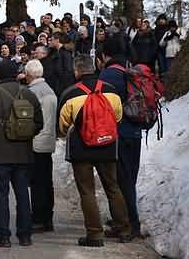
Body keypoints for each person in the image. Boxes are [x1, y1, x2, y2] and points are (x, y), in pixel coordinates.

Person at [58, 55, 131, 247]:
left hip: (81, 148)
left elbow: (63, 125)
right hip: (107, 146)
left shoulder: (70, 94)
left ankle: (94, 234)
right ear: (95, 68)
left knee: (87, 191)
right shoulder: (111, 91)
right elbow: (117, 117)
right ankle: (123, 229)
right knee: (113, 187)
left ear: (77, 71)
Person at [0, 60, 43, 247]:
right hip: (23, 153)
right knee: (22, 194)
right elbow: (39, 122)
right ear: (16, 74)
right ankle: (25, 235)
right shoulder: (28, 93)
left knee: (1, 195)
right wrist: (25, 135)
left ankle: (3, 236)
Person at [98, 38, 144, 238]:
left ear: (105, 55)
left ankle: (130, 225)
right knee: (129, 180)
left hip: (118, 133)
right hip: (135, 133)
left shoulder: (108, 74)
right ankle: (123, 220)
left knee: (120, 181)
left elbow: (102, 105)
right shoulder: (131, 70)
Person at [23, 60, 57, 233]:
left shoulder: (32, 93)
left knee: (36, 184)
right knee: (46, 182)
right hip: (48, 140)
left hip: (36, 142)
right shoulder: (50, 90)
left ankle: (38, 218)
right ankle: (47, 218)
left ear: (28, 74)